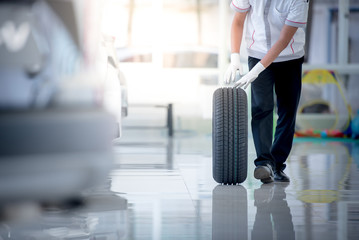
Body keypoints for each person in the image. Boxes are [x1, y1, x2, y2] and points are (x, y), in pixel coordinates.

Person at [225, 0, 310, 183]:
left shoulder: (298, 2)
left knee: (287, 111)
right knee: (261, 108)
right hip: (257, 53)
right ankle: (264, 163)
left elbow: (283, 41)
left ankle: (277, 164)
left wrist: (256, 71)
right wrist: (234, 57)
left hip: (289, 57)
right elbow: (238, 20)